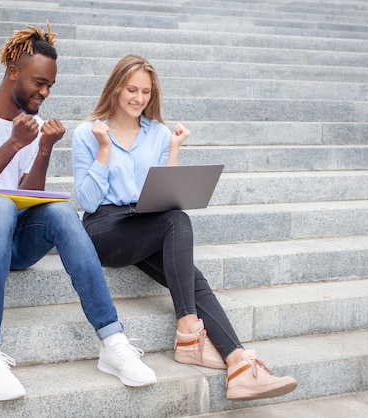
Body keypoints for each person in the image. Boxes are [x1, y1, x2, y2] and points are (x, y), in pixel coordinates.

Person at [0, 25, 156, 402]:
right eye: (39, 83)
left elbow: (29, 196)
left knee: (59, 209)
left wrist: (43, 148)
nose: (45, 93)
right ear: (13, 72)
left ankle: (112, 342)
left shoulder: (33, 127)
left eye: (50, 85)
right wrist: (13, 144)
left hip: (10, 239)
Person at [72, 53, 298, 401]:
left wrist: (173, 148)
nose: (138, 98)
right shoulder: (89, 133)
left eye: (146, 92)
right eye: (131, 89)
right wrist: (104, 150)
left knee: (191, 274)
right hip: (104, 229)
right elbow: (86, 203)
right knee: (178, 224)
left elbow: (166, 192)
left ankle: (238, 366)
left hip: (145, 220)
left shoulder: (159, 133)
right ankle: (190, 332)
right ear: (116, 88)